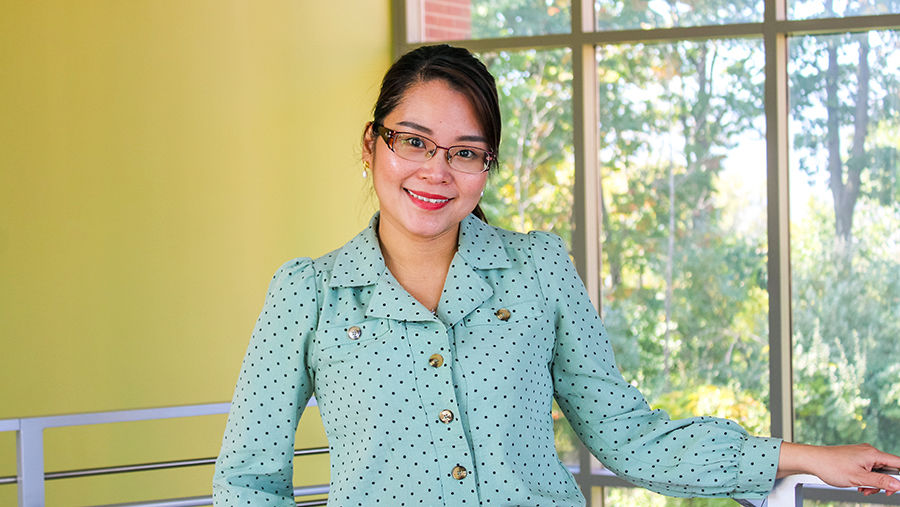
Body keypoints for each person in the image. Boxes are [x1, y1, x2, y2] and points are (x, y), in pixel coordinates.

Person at [213, 44, 900, 506]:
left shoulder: (537, 269)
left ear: (486, 169)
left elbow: (626, 433)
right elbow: (248, 477)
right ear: (372, 145)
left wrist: (803, 457)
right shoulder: (308, 293)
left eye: (465, 152)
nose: (435, 170)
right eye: (413, 141)